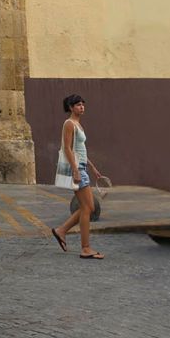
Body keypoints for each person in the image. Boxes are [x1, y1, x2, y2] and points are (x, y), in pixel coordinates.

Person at [50, 94, 105, 259]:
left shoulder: (78, 124)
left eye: (83, 104)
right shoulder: (69, 124)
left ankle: (61, 231)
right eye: (78, 105)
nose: (82, 107)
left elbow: (80, 150)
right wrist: (75, 170)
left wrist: (92, 167)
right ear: (71, 107)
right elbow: (67, 148)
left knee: (88, 207)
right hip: (78, 169)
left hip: (82, 167)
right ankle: (85, 248)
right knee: (88, 208)